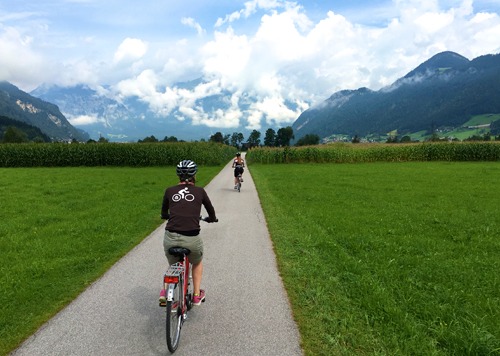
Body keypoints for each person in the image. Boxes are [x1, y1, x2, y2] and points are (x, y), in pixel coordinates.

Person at [159, 159, 218, 306]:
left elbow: (163, 213)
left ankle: (166, 292)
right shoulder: (200, 191)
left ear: (178, 175)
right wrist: (211, 219)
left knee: (173, 266)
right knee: (197, 263)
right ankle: (197, 294)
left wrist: (167, 216)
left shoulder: (169, 191)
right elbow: (211, 211)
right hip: (191, 238)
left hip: (170, 237)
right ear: (194, 175)